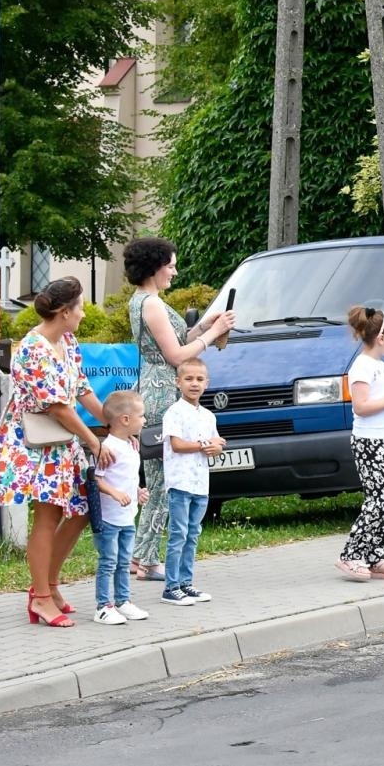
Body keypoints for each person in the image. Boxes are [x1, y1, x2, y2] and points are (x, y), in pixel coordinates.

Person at [0, 277, 118, 627]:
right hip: (35, 445)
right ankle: (40, 597)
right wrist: (94, 440)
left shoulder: (67, 342)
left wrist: (113, 428)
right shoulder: (32, 348)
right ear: (63, 311)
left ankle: (49, 584)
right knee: (48, 517)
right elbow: (58, 407)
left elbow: (82, 391)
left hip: (60, 444)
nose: (84, 314)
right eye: (80, 308)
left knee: (80, 510)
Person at [123, 237, 236, 582]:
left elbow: (180, 339)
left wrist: (203, 326)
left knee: (159, 479)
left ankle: (143, 557)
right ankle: (142, 560)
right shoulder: (151, 304)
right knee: (162, 480)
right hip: (160, 392)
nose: (174, 271)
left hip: (154, 387)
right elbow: (175, 355)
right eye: (170, 265)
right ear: (155, 267)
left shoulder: (147, 301)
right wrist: (213, 332)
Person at [336, 306, 384, 582]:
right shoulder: (362, 366)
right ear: (380, 338)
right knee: (378, 499)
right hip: (370, 442)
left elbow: (382, 400)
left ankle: (374, 556)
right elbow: (361, 406)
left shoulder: (382, 367)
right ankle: (350, 555)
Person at [160, 357, 225, 605]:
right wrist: (205, 445)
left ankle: (186, 583)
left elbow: (216, 443)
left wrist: (215, 447)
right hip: (180, 482)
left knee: (193, 534)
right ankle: (171, 586)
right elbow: (177, 445)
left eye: (199, 379)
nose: (194, 384)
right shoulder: (174, 413)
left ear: (207, 383)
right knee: (179, 533)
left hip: (201, 483)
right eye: (188, 379)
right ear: (178, 382)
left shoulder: (208, 416)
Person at [91, 390, 151, 624]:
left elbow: (126, 477)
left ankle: (122, 601)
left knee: (124, 562)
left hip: (127, 517)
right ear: (125, 419)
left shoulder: (131, 446)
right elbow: (96, 479)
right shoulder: (109, 448)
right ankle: (103, 606)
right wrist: (115, 493)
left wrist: (137, 492)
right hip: (109, 518)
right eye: (141, 415)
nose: (144, 420)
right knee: (109, 562)